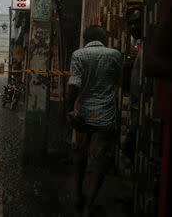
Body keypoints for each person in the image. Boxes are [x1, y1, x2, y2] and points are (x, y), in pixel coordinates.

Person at [66, 25, 122, 217]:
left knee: (79, 154)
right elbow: (119, 81)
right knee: (98, 159)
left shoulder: (78, 55)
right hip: (105, 115)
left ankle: (76, 197)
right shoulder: (115, 55)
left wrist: (68, 109)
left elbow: (74, 85)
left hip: (83, 114)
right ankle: (89, 206)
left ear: (85, 39)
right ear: (103, 38)